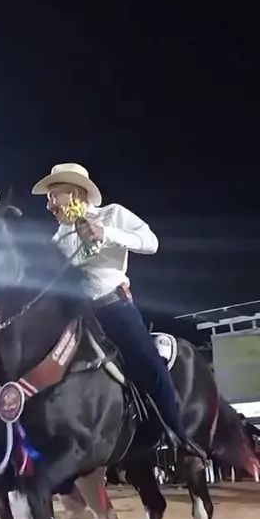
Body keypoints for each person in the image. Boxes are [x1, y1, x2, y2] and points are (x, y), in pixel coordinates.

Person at [31, 162, 204, 460]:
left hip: (114, 307)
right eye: (48, 199)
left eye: (53, 196)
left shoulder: (112, 214)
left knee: (148, 364)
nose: (49, 205)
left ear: (74, 193)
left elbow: (151, 242)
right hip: (80, 317)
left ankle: (178, 435)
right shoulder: (58, 239)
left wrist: (107, 233)